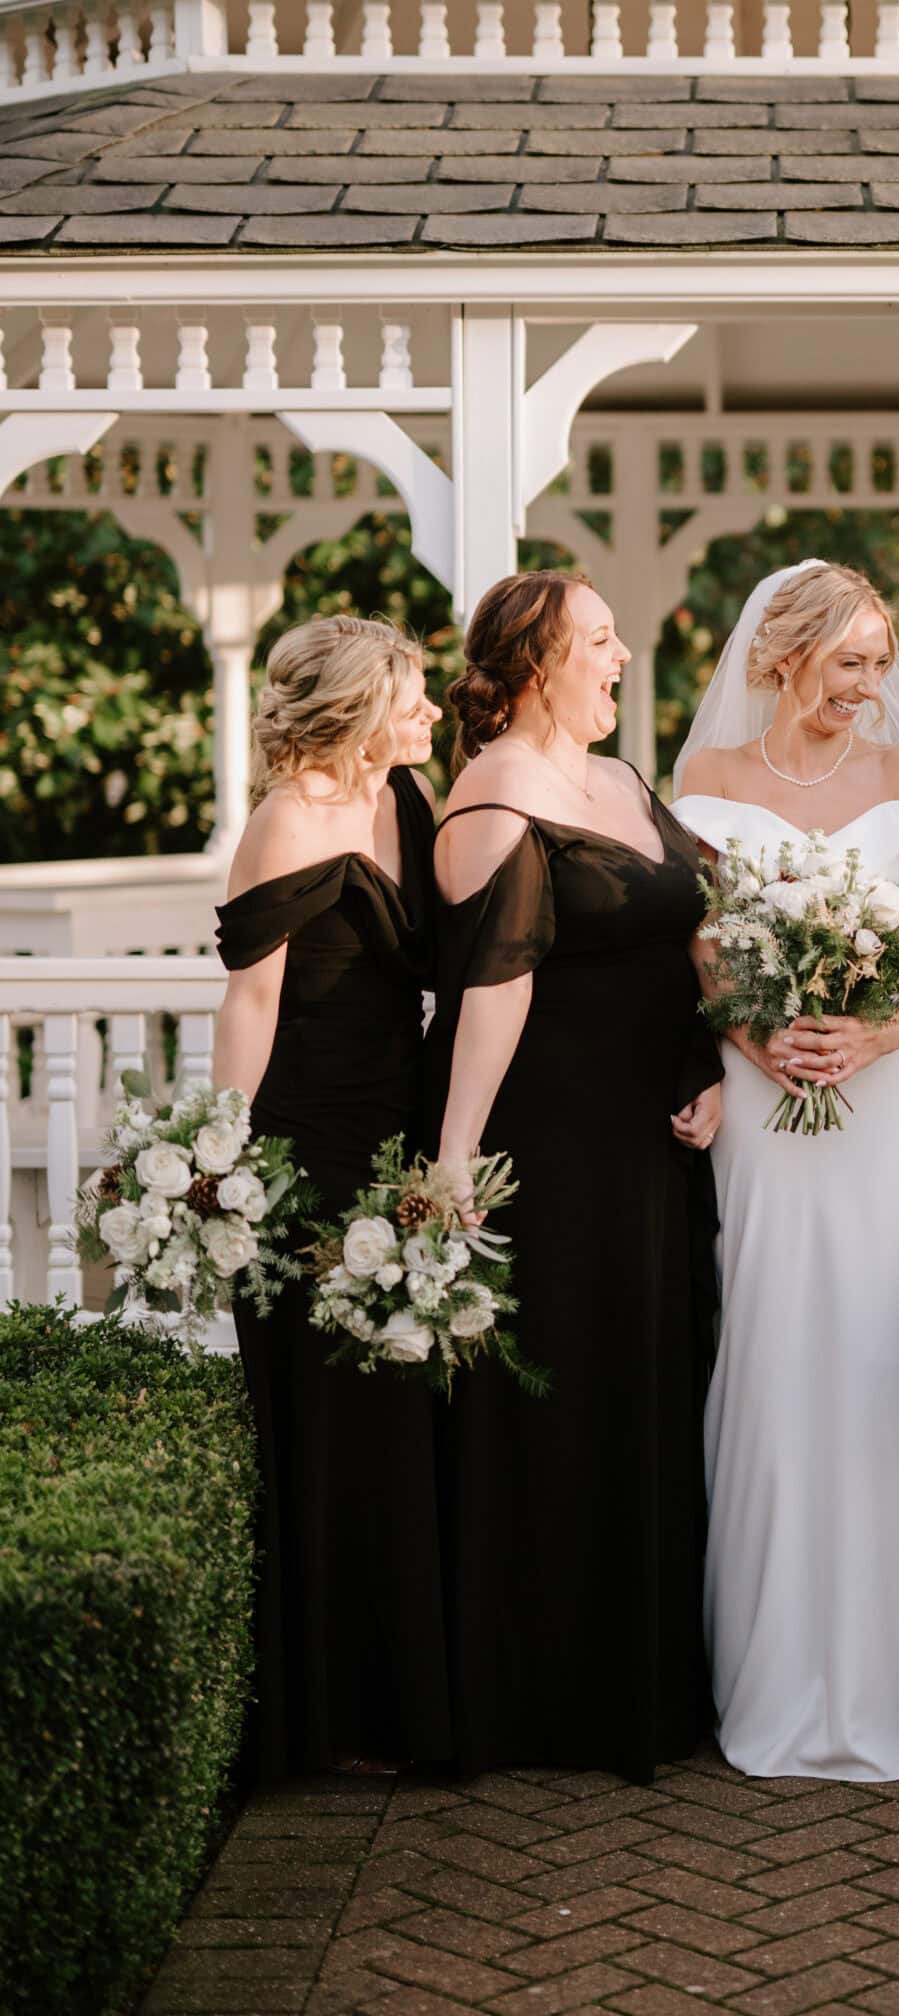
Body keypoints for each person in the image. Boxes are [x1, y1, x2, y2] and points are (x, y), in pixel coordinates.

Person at [673, 559, 899, 1783]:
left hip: (889, 1099)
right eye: (850, 658)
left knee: (878, 1350)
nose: (872, 682)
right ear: (783, 654)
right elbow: (700, 955)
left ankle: (882, 1684)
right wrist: (760, 1038)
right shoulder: (709, 780)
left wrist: (874, 1032)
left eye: (879, 659)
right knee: (771, 1346)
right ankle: (769, 1672)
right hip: (765, 1096)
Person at [426, 569, 721, 1780]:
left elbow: (680, 937)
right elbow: (493, 988)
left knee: (649, 1377)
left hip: (653, 1140)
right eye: (600, 642)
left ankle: (643, 1684)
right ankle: (547, 1698)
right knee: (559, 1393)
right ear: (539, 661)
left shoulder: (623, 780)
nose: (619, 661)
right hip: (546, 1145)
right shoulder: (496, 789)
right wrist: (452, 1165)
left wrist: (710, 1061)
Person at [212, 614, 448, 1779]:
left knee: (395, 1414)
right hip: (304, 1144)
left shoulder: (409, 803)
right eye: (413, 697)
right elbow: (251, 1005)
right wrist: (224, 1162)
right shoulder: (287, 820)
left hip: (399, 1130)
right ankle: (314, 1718)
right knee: (318, 1415)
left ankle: (393, 1704)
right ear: (359, 706)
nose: (433, 715)